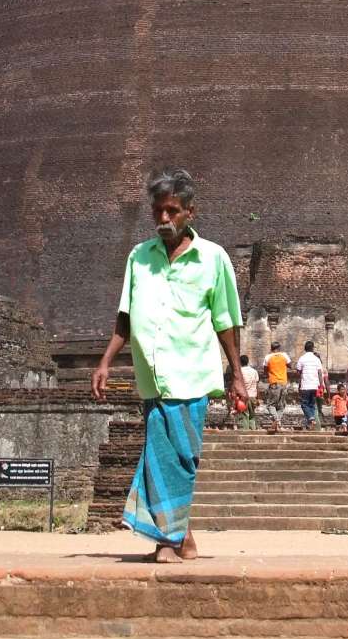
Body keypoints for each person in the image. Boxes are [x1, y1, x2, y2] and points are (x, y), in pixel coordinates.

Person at [92, 168, 247, 564]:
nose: (164, 219)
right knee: (163, 455)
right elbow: (125, 316)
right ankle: (183, 539)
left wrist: (237, 375)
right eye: (158, 211)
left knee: (178, 457)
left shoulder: (213, 258)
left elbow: (226, 321)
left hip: (192, 372)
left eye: (172, 211)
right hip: (153, 378)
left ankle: (167, 539)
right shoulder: (139, 258)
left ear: (189, 213)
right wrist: (105, 362)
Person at [295, 340, 325, 430]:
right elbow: (320, 373)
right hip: (315, 385)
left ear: (305, 348)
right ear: (312, 348)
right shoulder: (316, 359)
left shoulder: (302, 359)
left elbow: (298, 372)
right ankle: (311, 421)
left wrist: (300, 382)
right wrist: (321, 385)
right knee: (311, 404)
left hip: (305, 385)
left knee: (304, 404)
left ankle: (311, 418)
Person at [262, 342, 292, 420]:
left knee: (270, 405)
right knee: (281, 405)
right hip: (284, 383)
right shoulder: (284, 355)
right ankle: (278, 421)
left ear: (271, 349)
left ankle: (276, 419)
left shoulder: (268, 357)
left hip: (274, 383)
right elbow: (290, 365)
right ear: (279, 348)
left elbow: (265, 371)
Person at [238, 354, 260, 429]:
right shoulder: (254, 371)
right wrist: (258, 398)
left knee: (244, 415)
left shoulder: (239, 372)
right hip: (253, 396)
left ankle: (245, 432)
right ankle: (253, 431)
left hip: (243, 397)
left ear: (240, 362)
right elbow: (257, 385)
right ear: (247, 362)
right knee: (252, 415)